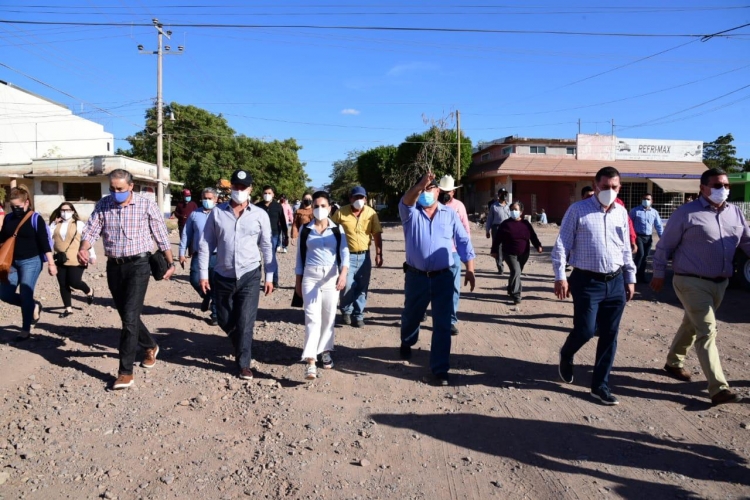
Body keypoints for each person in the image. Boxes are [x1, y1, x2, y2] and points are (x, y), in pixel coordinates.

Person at [651, 168, 750, 406]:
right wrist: (658, 273)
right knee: (707, 329)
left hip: (721, 283)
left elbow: (746, 241)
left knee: (692, 323)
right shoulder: (686, 213)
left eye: (726, 185)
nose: (723, 190)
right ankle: (718, 389)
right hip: (690, 280)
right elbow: (665, 246)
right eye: (717, 185)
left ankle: (673, 363)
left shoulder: (735, 213)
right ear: (702, 188)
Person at [78, 169, 176, 390]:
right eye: (112, 189)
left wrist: (170, 263)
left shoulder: (145, 204)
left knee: (129, 318)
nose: (116, 193)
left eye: (120, 189)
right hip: (114, 266)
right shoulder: (103, 205)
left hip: (139, 265)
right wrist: (83, 248)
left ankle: (125, 372)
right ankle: (151, 345)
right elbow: (91, 230)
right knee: (126, 315)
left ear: (131, 186)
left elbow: (160, 233)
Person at [551, 166, 636, 406]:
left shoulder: (621, 212)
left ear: (620, 187)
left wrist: (630, 278)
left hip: (616, 281)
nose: (610, 191)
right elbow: (561, 245)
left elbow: (625, 248)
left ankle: (600, 386)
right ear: (595, 185)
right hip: (587, 281)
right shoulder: (578, 210)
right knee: (586, 330)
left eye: (614, 187)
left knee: (610, 334)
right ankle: (567, 353)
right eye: (605, 186)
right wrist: (560, 276)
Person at [399, 173, 476, 386]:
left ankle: (440, 369)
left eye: (430, 189)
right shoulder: (410, 213)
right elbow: (406, 199)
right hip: (416, 277)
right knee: (411, 317)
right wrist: (419, 184)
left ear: (438, 192)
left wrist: (470, 268)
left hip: (443, 277)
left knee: (442, 324)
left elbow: (462, 240)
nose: (426, 193)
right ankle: (407, 340)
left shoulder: (449, 214)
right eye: (423, 190)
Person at [199, 169, 275, 381]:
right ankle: (241, 341)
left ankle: (244, 363)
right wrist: (203, 274)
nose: (239, 191)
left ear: (251, 189)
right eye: (236, 187)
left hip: (250, 274)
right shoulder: (217, 212)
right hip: (222, 274)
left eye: (244, 187)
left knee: (245, 321)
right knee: (223, 318)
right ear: (230, 187)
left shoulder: (260, 214)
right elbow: (206, 244)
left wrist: (270, 276)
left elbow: (267, 246)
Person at [296, 191, 350, 380]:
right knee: (312, 318)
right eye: (316, 206)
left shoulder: (337, 229)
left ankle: (325, 351)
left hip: (331, 278)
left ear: (329, 207)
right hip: (310, 277)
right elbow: (300, 258)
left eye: (323, 206)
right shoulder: (306, 230)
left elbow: (345, 255)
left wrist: (343, 275)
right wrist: (298, 282)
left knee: (328, 317)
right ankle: (311, 360)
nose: (319, 209)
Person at [0, 185, 56, 340]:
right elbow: (3, 239)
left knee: (25, 294)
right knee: (4, 294)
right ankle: (34, 305)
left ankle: (25, 329)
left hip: (31, 261)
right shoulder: (9, 218)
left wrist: (51, 263)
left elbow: (44, 242)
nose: (16, 209)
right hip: (11, 262)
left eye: (18, 206)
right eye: (13, 206)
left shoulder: (34, 218)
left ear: (26, 203)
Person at [331, 186, 383, 328]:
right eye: (356, 197)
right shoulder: (341, 213)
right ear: (350, 198)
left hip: (364, 256)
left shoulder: (371, 213)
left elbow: (376, 233)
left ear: (365, 199)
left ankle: (358, 315)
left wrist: (379, 253)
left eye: (361, 197)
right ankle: (346, 311)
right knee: (346, 285)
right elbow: (332, 232)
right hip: (346, 257)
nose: (359, 200)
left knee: (362, 286)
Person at [179, 187, 219, 326]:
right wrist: (181, 252)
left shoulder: (221, 214)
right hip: (198, 253)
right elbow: (186, 233)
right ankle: (206, 295)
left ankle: (215, 315)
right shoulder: (195, 214)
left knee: (215, 284)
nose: (207, 200)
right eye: (205, 198)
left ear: (216, 199)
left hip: (216, 255)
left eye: (210, 198)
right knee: (194, 279)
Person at [49, 202, 96, 318]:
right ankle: (68, 308)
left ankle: (89, 290)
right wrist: (52, 225)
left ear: (73, 211)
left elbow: (87, 239)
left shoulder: (78, 224)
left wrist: (91, 255)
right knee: (63, 284)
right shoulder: (55, 224)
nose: (65, 213)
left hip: (76, 258)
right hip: (60, 258)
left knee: (74, 281)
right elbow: (48, 238)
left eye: (68, 210)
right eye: (62, 210)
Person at [491, 201, 542, 305]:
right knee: (516, 271)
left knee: (516, 273)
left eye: (516, 210)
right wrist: (494, 250)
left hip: (524, 253)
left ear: (521, 212)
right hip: (509, 253)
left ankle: (510, 288)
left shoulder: (526, 224)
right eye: (512, 209)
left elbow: (533, 236)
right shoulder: (505, 224)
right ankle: (516, 295)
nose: (513, 211)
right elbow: (497, 239)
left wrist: (538, 245)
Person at [437, 175, 470, 335]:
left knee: (454, 288)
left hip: (454, 253)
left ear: (453, 192)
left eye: (448, 191)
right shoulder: (432, 205)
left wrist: (467, 256)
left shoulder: (459, 206)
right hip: (434, 253)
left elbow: (465, 231)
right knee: (432, 287)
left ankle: (451, 320)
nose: (445, 193)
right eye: (442, 190)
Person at [255, 186, 288, 288]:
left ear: (273, 194)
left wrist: (286, 235)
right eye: (265, 193)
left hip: (273, 235)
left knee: (270, 257)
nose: (267, 195)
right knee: (256, 258)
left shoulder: (278, 206)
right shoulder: (257, 206)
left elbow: (282, 222)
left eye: (269, 193)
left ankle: (273, 280)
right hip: (258, 235)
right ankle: (255, 279)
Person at [629, 193, 663, 283]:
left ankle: (641, 275)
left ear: (652, 201)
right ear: (641, 199)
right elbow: (629, 224)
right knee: (640, 255)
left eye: (648, 199)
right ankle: (634, 275)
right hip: (638, 236)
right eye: (644, 198)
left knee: (645, 257)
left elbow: (658, 226)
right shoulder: (635, 211)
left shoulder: (654, 212)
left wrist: (662, 238)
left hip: (648, 237)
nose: (646, 201)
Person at [486, 187, 510, 274]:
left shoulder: (509, 206)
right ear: (499, 195)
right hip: (496, 228)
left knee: (507, 246)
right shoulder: (494, 206)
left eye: (505, 194)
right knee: (498, 247)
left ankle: (502, 258)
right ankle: (500, 266)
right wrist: (487, 230)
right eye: (502, 194)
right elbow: (489, 219)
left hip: (507, 228)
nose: (504, 196)